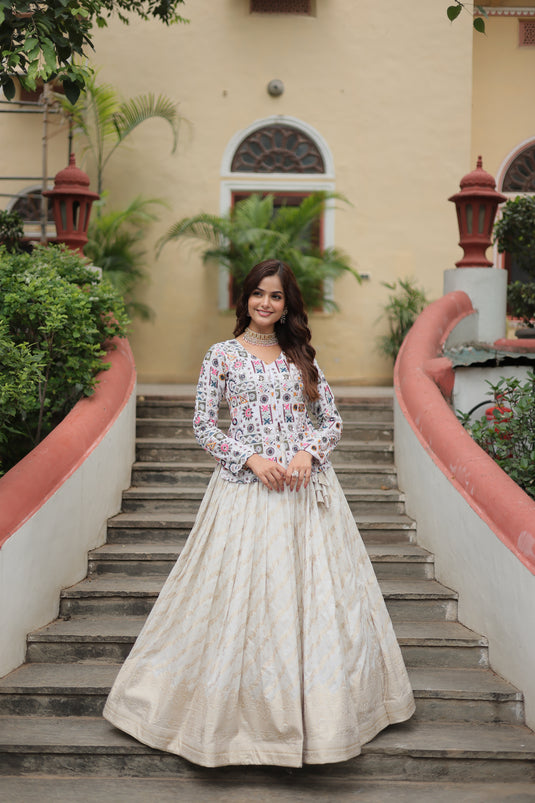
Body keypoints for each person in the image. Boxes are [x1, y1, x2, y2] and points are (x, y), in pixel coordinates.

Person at [103, 258, 415, 767]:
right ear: (244, 297)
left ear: (287, 305)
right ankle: (226, 722)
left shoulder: (300, 357)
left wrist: (305, 453)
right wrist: (250, 457)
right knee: (236, 603)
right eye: (258, 294)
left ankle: (325, 718)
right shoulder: (221, 355)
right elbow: (204, 426)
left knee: (316, 603)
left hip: (305, 496)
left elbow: (330, 421)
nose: (265, 303)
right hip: (244, 493)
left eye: (276, 297)